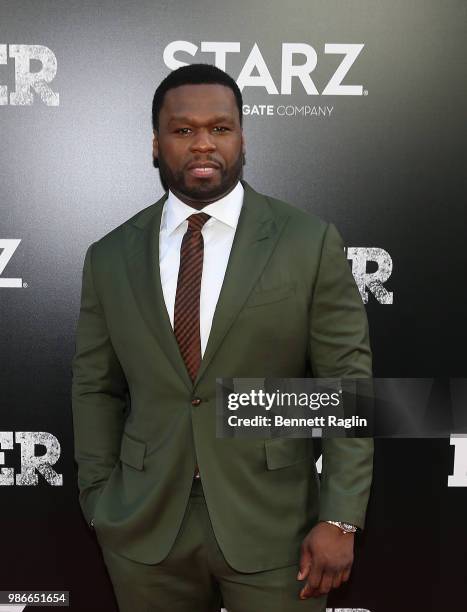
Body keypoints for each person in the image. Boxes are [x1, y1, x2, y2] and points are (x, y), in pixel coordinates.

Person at [72, 63, 373, 612]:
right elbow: (95, 387)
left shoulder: (308, 242)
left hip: (278, 527)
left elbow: (345, 386)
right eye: (183, 130)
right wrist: (98, 498)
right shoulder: (109, 255)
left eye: (220, 128)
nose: (203, 144)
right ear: (156, 145)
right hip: (143, 528)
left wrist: (340, 518)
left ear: (242, 137)